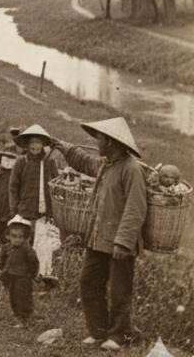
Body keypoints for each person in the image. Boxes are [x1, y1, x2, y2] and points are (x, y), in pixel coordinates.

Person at [50, 118, 148, 352]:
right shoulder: (107, 165)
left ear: (112, 143)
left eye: (101, 138)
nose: (97, 142)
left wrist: (123, 242)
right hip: (97, 239)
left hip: (119, 244)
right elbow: (84, 162)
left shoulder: (131, 169)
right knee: (88, 281)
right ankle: (98, 331)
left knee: (119, 290)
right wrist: (64, 147)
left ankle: (117, 334)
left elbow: (136, 209)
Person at [9, 124, 60, 285]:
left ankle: (40, 276)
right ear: (27, 145)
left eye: (38, 143)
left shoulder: (50, 163)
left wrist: (54, 211)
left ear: (43, 144)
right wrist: (15, 209)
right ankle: (17, 274)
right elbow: (13, 187)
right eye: (32, 143)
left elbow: (56, 187)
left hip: (44, 212)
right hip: (24, 210)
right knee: (22, 244)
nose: (35, 146)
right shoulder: (21, 163)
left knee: (43, 246)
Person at [0, 215, 39, 327]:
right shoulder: (7, 248)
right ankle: (17, 315)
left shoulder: (27, 249)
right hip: (10, 276)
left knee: (23, 297)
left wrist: (32, 274)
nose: (16, 239)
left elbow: (34, 262)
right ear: (8, 236)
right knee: (13, 296)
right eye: (13, 236)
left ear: (26, 238)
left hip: (23, 277)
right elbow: (2, 260)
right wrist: (0, 269)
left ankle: (24, 317)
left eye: (20, 237)